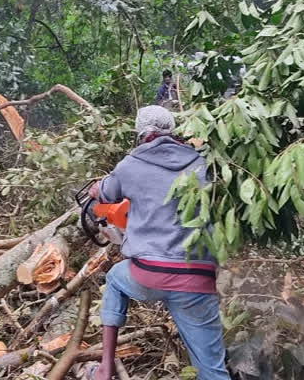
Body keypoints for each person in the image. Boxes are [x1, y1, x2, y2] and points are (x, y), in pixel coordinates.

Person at [86, 106, 229, 380]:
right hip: (197, 280)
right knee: (213, 371)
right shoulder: (203, 163)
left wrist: (97, 188)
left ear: (140, 133)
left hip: (149, 275)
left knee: (115, 279)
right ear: (173, 130)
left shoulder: (131, 164)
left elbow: (104, 193)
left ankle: (104, 368)